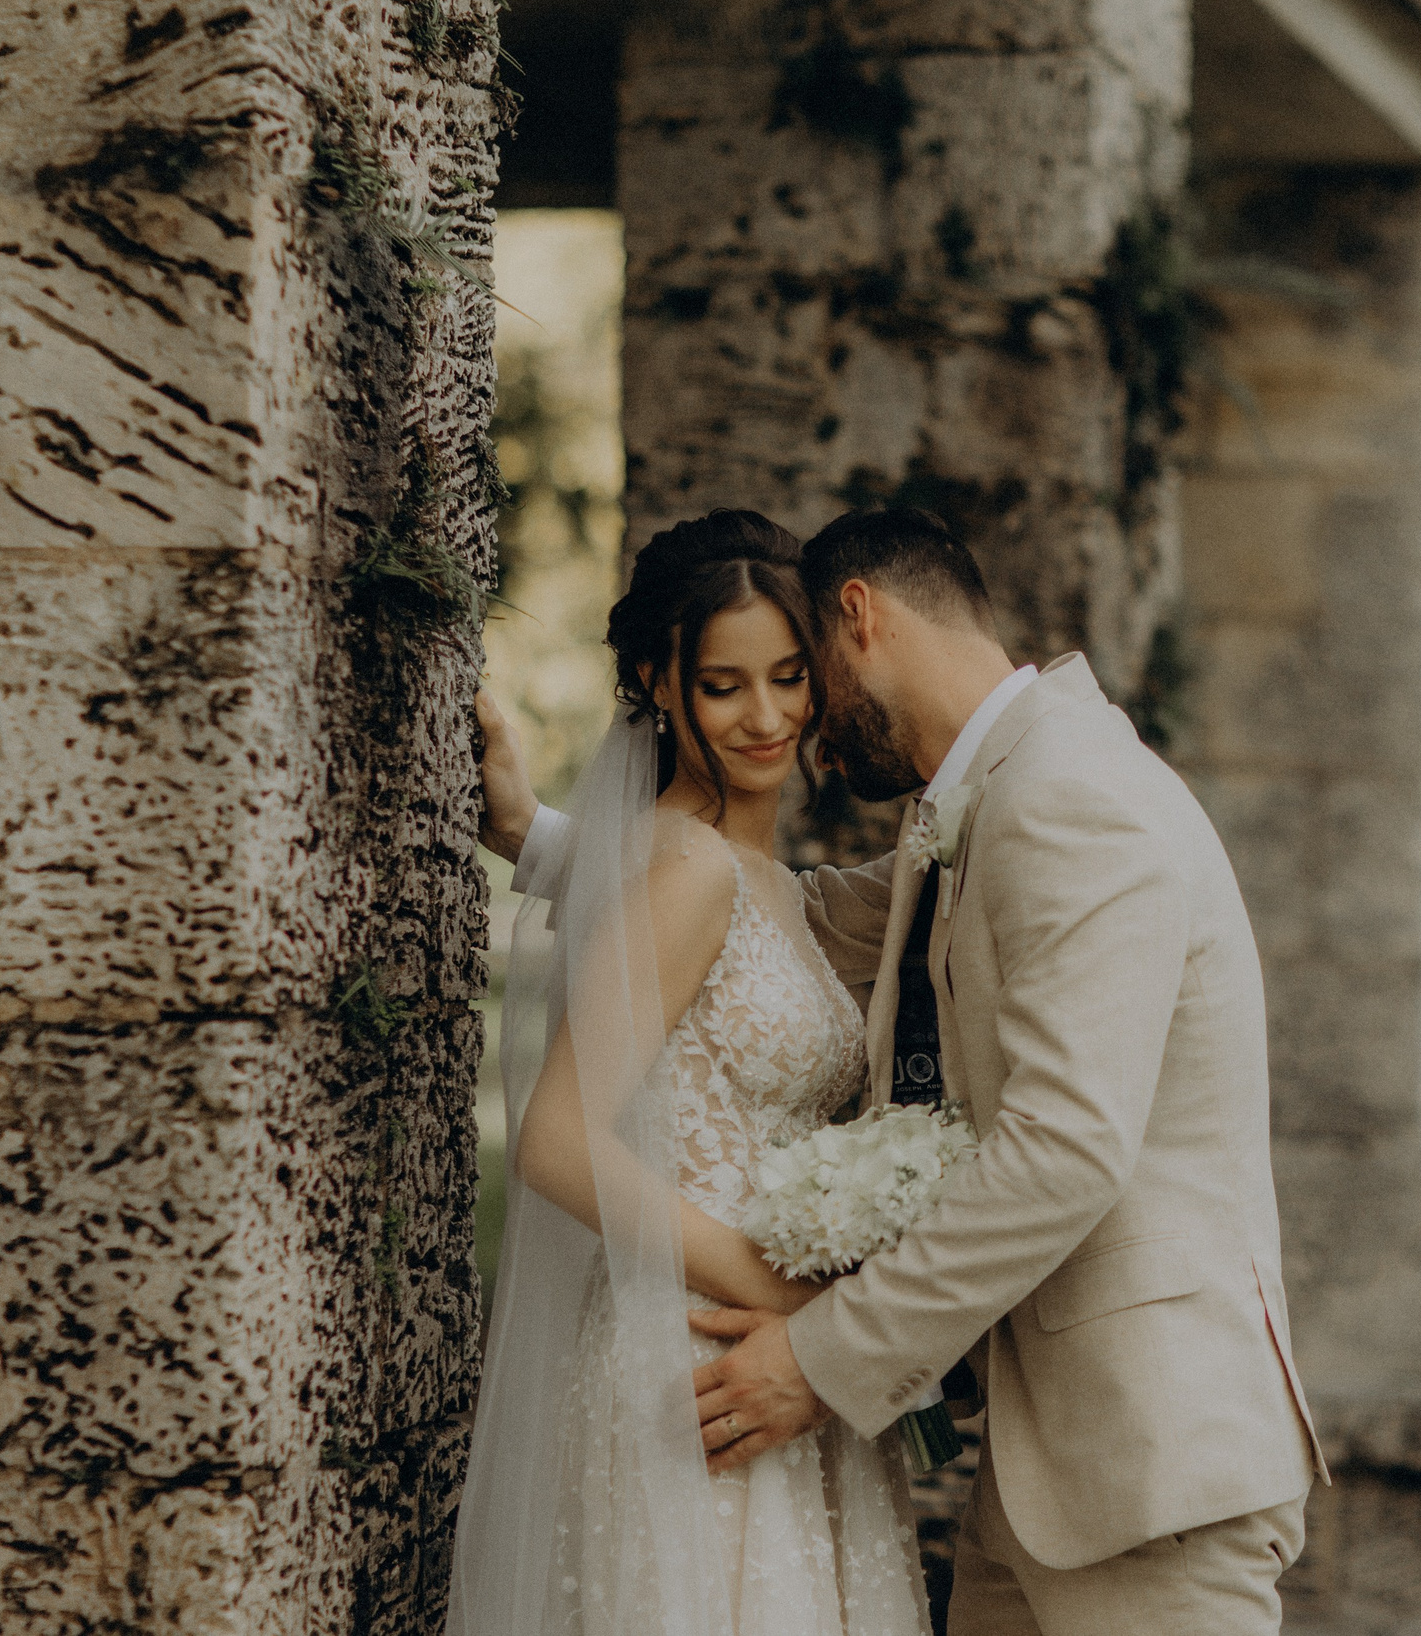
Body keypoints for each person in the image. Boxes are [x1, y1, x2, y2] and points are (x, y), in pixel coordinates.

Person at [476, 506, 1327, 1635]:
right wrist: (538, 836)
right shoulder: (984, 799)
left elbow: (1065, 1150)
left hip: (1149, 1463)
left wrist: (824, 1353)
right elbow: (754, 922)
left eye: (800, 673)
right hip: (1043, 1481)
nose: (799, 720)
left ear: (857, 620)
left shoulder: (1067, 799)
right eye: (734, 682)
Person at [449, 510, 929, 1636]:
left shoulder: (752, 871)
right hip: (698, 1365)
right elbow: (558, 1139)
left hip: (761, 1364)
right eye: (724, 685)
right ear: (660, 685)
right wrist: (786, 1298)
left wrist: (529, 830)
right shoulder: (688, 869)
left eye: (786, 677)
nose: (765, 717)